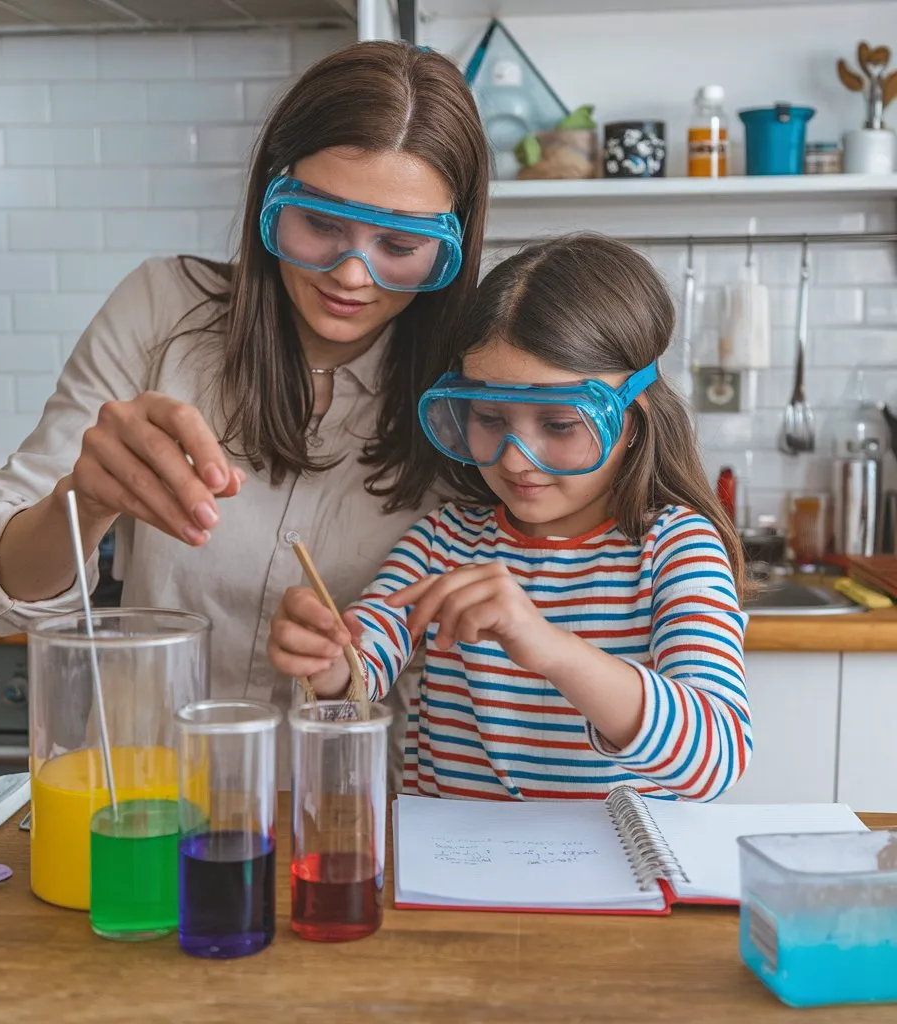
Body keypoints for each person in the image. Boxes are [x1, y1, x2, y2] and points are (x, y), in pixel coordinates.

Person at [0, 41, 490, 782]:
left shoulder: (475, 387)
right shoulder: (161, 309)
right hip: (154, 805)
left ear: (454, 241)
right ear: (271, 196)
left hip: (351, 823)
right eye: (320, 224)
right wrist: (87, 498)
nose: (352, 273)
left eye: (401, 243)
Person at [268, 234, 751, 801]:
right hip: (449, 877)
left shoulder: (675, 547)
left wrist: (547, 647)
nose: (517, 459)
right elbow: (360, 672)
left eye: (559, 425)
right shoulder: (444, 540)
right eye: (490, 418)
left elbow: (717, 757)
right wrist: (327, 659)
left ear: (634, 418)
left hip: (616, 877)